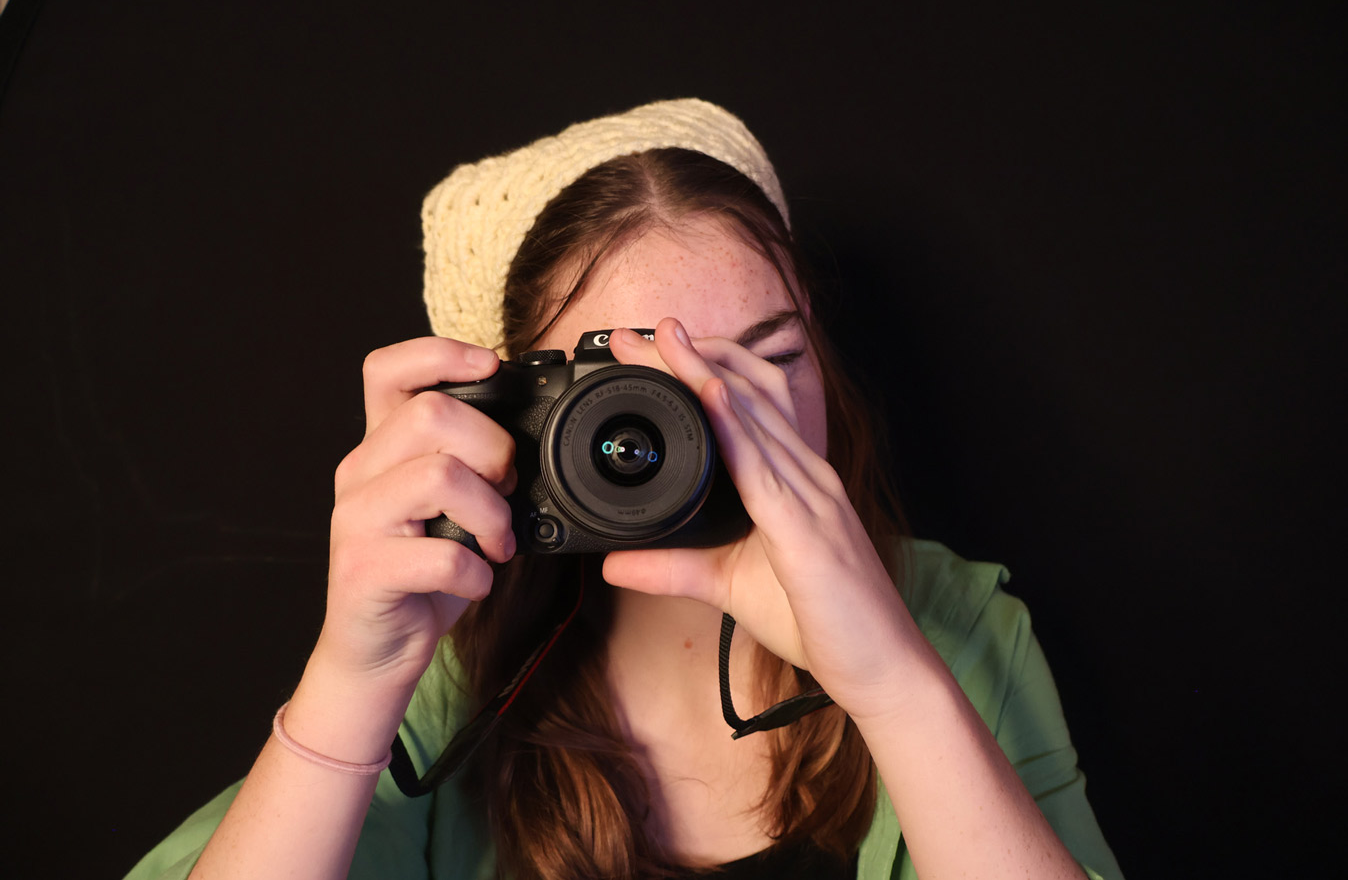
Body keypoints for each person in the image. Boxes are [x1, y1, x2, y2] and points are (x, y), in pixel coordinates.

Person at [126, 99, 1123, 880]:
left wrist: (892, 681)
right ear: (512, 418)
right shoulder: (451, 678)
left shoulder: (956, 623)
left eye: (771, 355)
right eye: (635, 399)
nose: (719, 422)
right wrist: (349, 684)